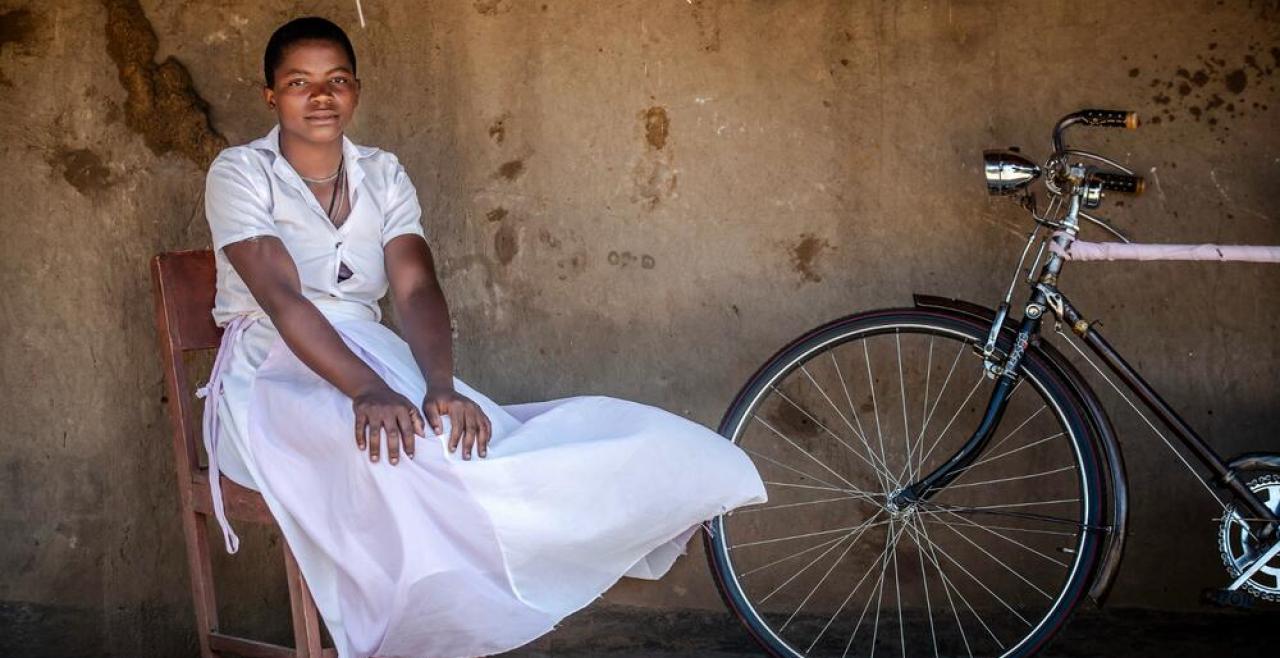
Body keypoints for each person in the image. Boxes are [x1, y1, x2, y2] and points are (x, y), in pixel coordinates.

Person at [200, 15, 767, 658]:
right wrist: (364, 390)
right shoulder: (241, 171)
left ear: (356, 90)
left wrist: (440, 386)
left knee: (456, 440)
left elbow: (414, 288)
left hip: (372, 353)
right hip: (271, 374)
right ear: (271, 95)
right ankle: (409, 637)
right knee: (390, 451)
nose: (321, 96)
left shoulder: (383, 174)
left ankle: (474, 611)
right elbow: (282, 297)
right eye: (299, 82)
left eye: (337, 81)